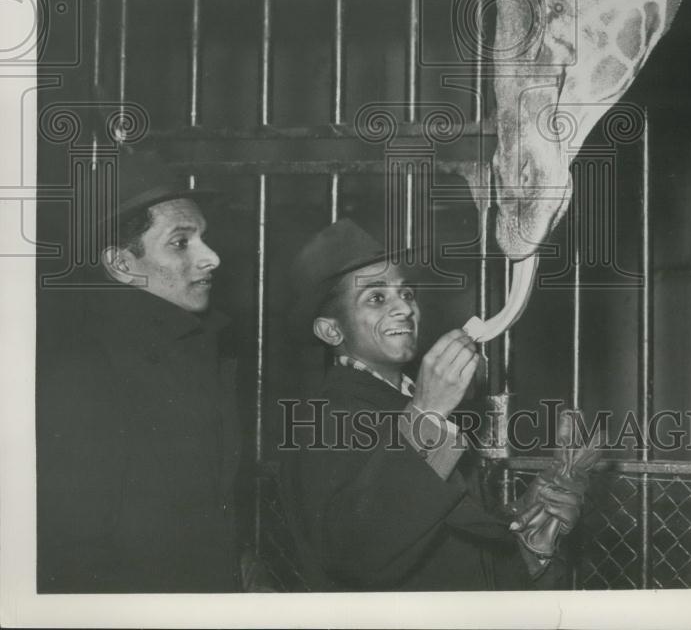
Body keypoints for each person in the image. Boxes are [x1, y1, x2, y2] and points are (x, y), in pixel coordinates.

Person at [279, 219, 586, 592]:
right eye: (376, 298)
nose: (404, 309)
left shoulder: (410, 405)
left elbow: (454, 553)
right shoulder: (325, 417)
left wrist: (532, 543)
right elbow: (354, 555)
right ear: (331, 330)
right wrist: (426, 415)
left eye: (406, 294)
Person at [36, 148, 241, 593]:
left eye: (204, 237)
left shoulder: (198, 351)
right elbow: (75, 556)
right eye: (181, 242)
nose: (212, 258)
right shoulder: (83, 375)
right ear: (121, 264)